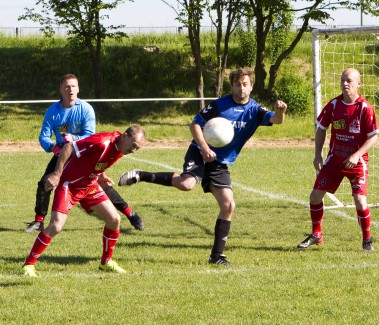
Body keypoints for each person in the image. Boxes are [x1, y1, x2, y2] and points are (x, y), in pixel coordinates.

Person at [118, 68, 287, 265]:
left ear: (251, 86)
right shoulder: (219, 105)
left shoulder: (255, 110)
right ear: (231, 86)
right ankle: (141, 175)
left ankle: (216, 257)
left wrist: (281, 112)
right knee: (186, 184)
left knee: (228, 205)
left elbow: (275, 119)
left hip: (220, 163)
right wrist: (205, 148)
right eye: (237, 84)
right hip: (200, 152)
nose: (241, 88)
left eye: (245, 84)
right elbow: (194, 124)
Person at [24, 74, 144, 232]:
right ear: (61, 89)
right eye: (66, 86)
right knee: (45, 183)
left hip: (85, 153)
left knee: (101, 183)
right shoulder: (52, 112)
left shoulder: (86, 109)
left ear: (78, 88)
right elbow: (43, 136)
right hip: (62, 152)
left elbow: (90, 136)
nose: (70, 89)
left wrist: (74, 139)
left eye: (73, 86)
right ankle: (38, 221)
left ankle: (130, 213)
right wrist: (53, 147)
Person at [20, 125, 146, 277]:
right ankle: (28, 265)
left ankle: (106, 262)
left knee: (114, 220)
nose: (133, 151)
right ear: (125, 136)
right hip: (69, 185)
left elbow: (95, 159)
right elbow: (69, 147)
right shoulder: (102, 141)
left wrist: (101, 174)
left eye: (137, 149)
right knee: (56, 226)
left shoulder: (120, 148)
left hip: (89, 185)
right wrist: (57, 175)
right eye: (133, 146)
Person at [297, 68, 379, 252]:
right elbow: (321, 128)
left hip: (357, 163)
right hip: (335, 160)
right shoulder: (333, 105)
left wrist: (357, 155)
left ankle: (367, 241)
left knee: (360, 199)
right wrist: (317, 154)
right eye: (342, 80)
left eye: (349, 80)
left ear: (359, 83)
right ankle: (316, 234)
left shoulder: (365, 108)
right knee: (315, 196)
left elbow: (373, 137)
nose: (345, 83)